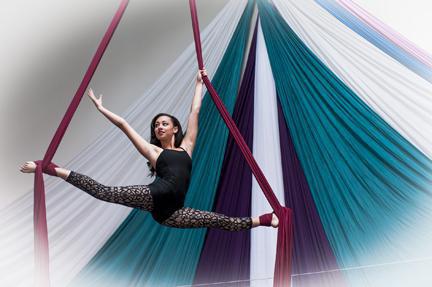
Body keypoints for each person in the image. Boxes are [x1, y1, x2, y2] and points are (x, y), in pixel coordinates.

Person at [20, 69, 278, 231]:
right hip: (156, 196)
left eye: (164, 123)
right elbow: (124, 125)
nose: (159, 127)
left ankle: (265, 220)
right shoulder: (154, 154)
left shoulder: (187, 147)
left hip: (171, 213)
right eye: (156, 126)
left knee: (217, 220)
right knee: (105, 192)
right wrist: (101, 109)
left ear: (175, 128)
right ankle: (53, 169)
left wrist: (198, 83)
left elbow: (195, 112)